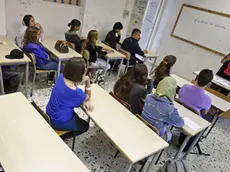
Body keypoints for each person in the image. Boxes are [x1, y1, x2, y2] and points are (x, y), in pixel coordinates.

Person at [46, 57, 93, 133]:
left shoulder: (61, 77)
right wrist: (87, 80)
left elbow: (72, 84)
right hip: (59, 122)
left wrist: (82, 101)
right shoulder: (76, 92)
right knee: (85, 125)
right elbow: (88, 97)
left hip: (49, 114)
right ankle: (62, 136)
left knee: (76, 116)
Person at [178, 69, 213, 152]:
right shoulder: (207, 99)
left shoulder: (184, 87)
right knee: (209, 117)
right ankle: (191, 141)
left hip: (179, 112)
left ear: (197, 77)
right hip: (192, 119)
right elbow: (204, 112)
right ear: (208, 83)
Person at [142, 76, 184, 141]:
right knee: (169, 134)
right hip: (154, 136)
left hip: (142, 127)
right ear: (173, 92)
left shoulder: (148, 97)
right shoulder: (170, 110)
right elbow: (180, 124)